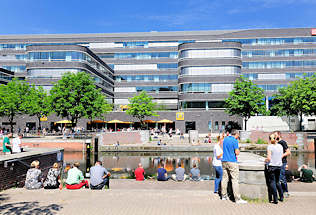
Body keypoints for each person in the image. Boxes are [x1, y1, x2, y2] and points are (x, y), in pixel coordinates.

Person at [221, 129, 247, 204]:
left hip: (224, 161)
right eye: (238, 135)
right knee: (234, 180)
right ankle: (237, 199)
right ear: (236, 134)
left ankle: (224, 196)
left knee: (224, 178)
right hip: (232, 161)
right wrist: (239, 150)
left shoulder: (225, 139)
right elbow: (237, 152)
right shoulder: (235, 141)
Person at [265, 133, 284, 204]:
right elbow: (281, 155)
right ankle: (281, 197)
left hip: (272, 166)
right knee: (277, 181)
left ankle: (275, 199)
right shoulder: (280, 146)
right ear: (276, 139)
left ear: (270, 139)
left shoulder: (270, 147)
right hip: (279, 166)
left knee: (272, 182)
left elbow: (269, 158)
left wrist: (265, 160)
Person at [274, 131, 291, 197]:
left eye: (275, 135)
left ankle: (285, 192)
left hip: (282, 162)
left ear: (279, 135)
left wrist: (281, 156)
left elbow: (288, 152)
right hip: (277, 162)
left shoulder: (282, 142)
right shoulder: (277, 143)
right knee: (277, 177)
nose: (274, 136)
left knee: (281, 177)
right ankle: (280, 192)